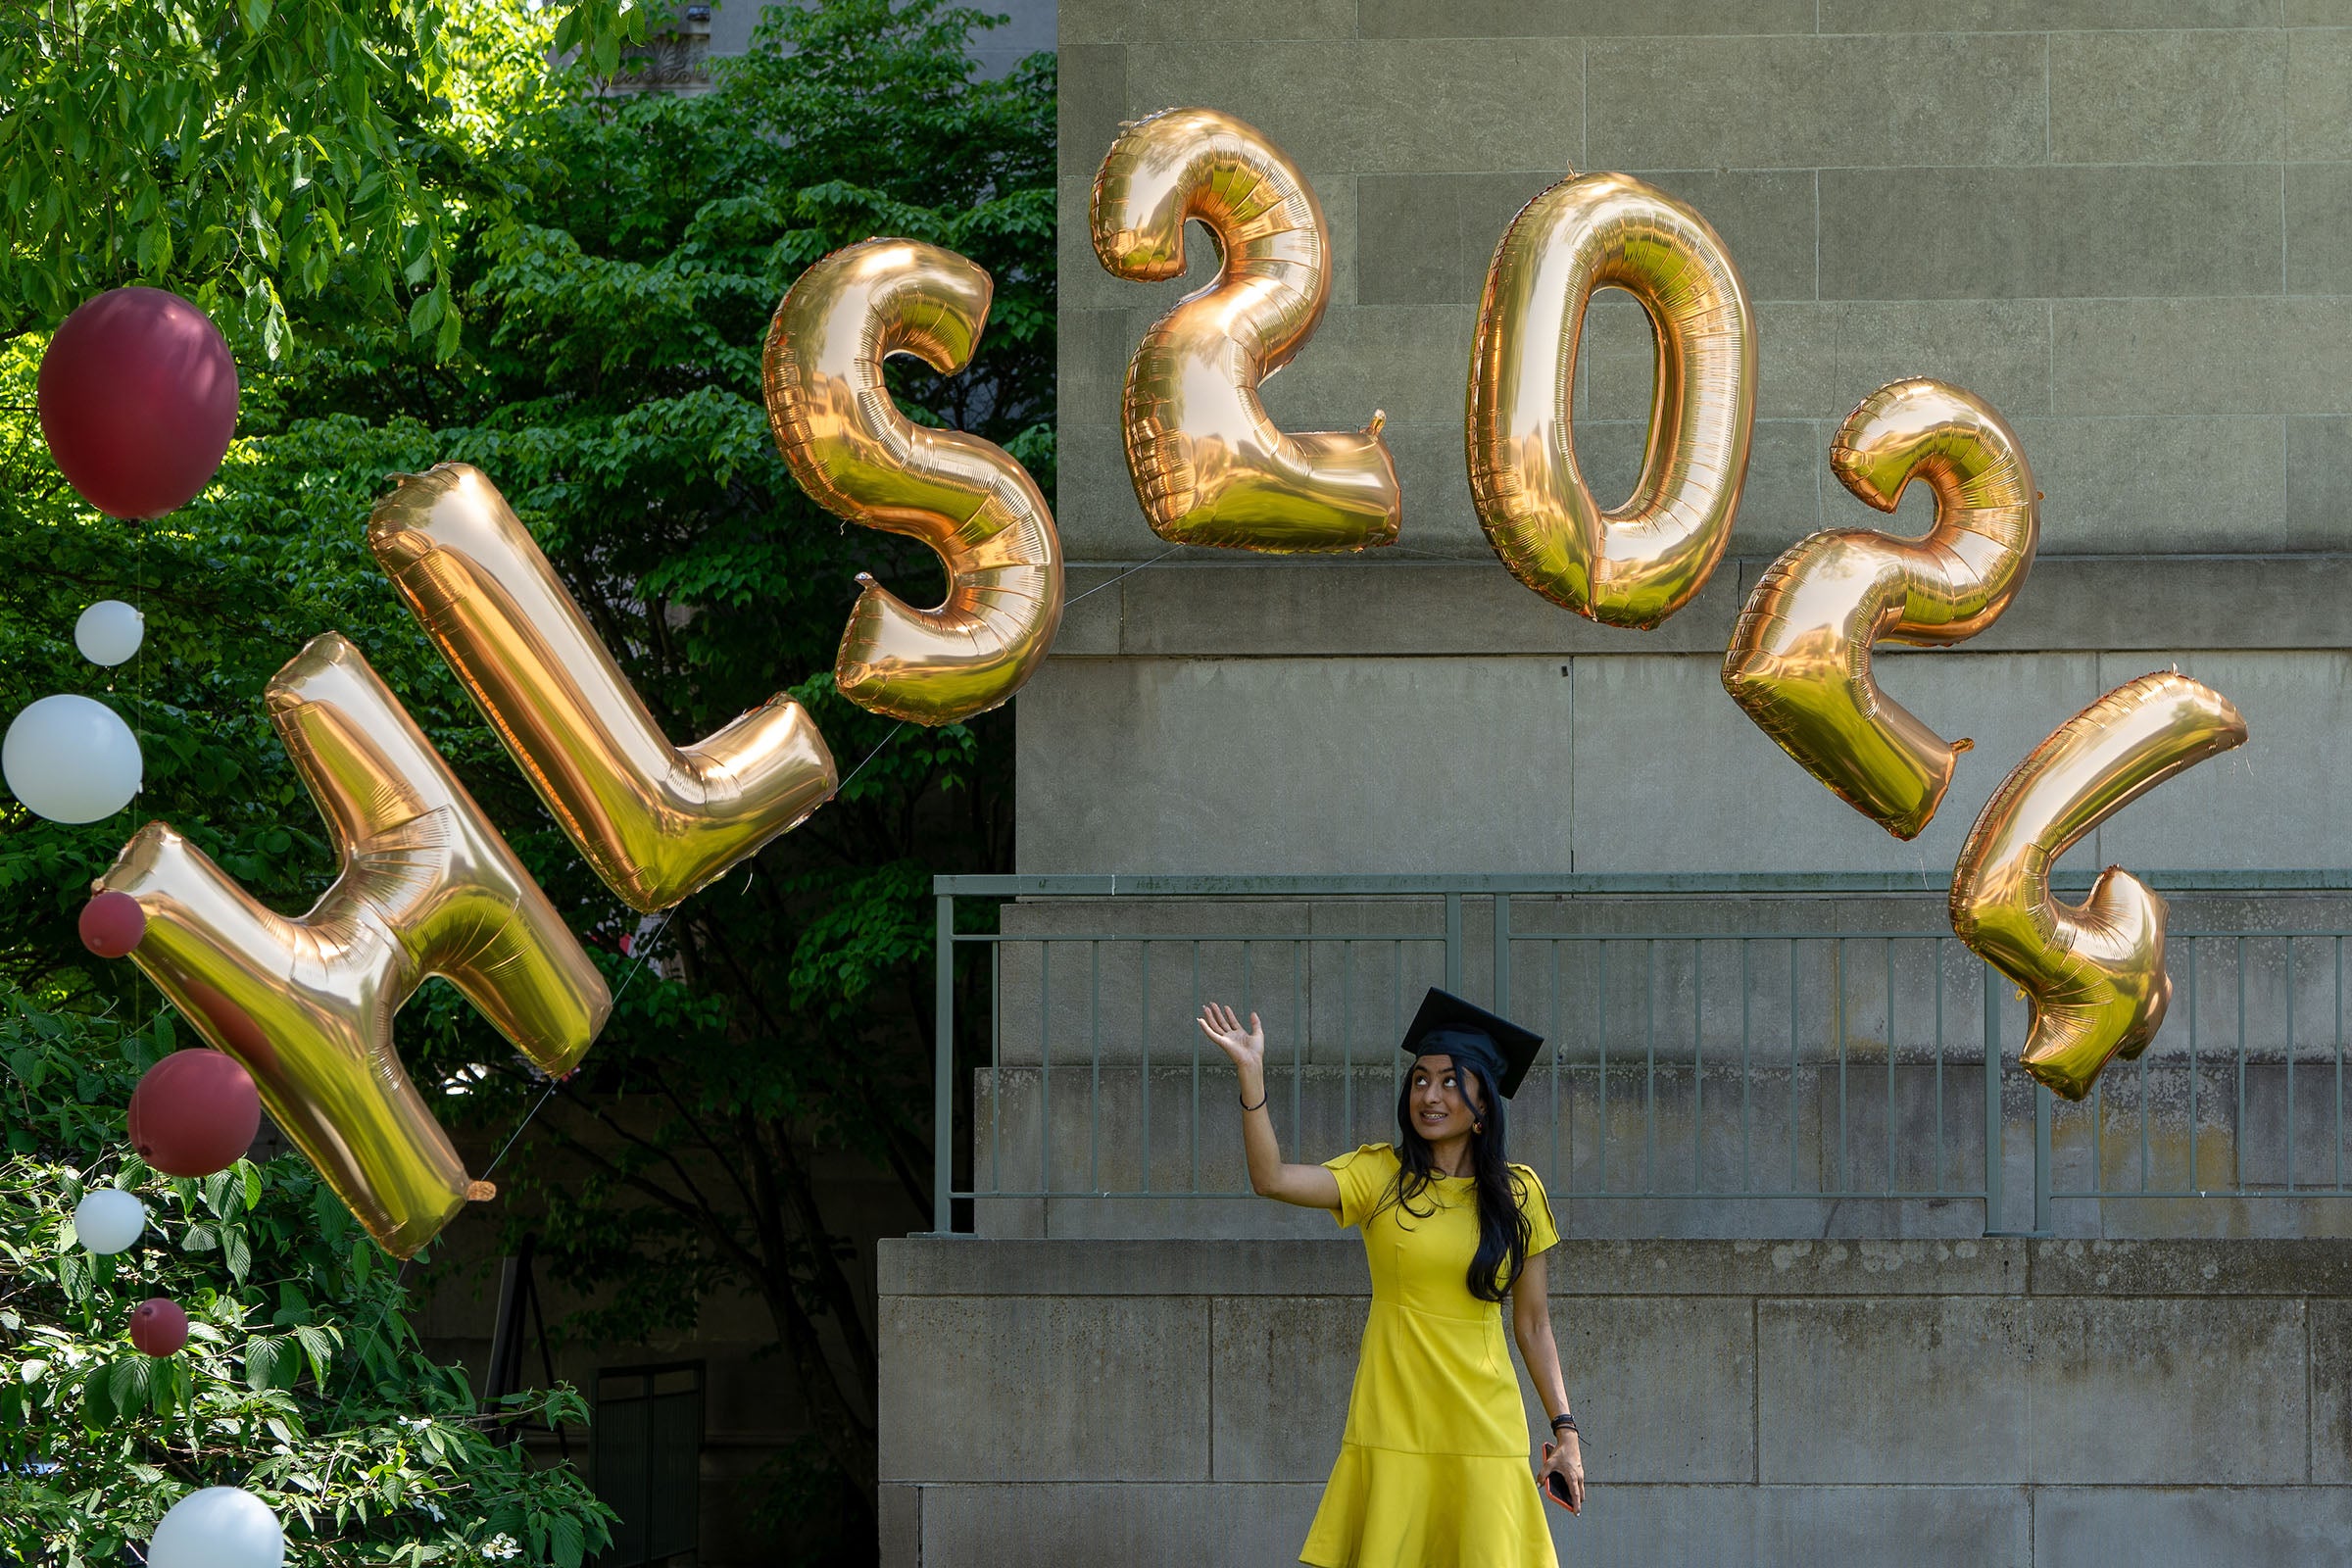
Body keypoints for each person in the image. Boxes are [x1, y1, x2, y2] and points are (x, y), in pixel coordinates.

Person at [1197, 988, 1585, 1568]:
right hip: (1392, 1419)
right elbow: (1271, 1178)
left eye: (1451, 1081)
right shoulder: (1379, 1175)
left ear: (1485, 1105)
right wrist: (1251, 1075)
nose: (1429, 1095)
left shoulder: (1521, 1193)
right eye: (1421, 1079)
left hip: (1486, 1425)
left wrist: (1567, 1431)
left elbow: (1533, 1324)